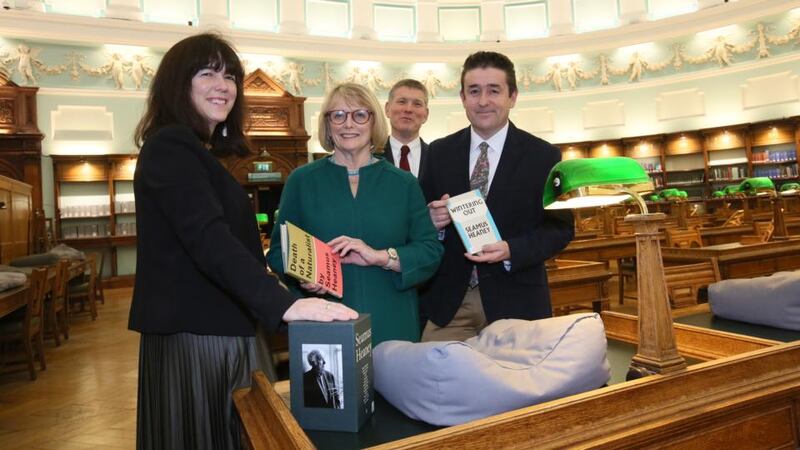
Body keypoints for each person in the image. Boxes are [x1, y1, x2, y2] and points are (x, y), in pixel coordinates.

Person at [129, 33, 357, 450]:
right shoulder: (171, 145)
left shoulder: (196, 151)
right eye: (207, 73)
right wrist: (285, 304)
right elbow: (208, 239)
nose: (223, 85)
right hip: (199, 336)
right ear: (178, 83)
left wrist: (283, 284)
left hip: (214, 328)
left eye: (230, 76)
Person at [267, 82, 443, 346]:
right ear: (328, 124)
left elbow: (430, 251)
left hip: (392, 320)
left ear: (374, 121)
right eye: (338, 115)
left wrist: (381, 257)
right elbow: (279, 251)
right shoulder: (301, 181)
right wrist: (303, 276)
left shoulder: (403, 183)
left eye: (360, 115)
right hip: (325, 320)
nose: (348, 124)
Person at [419, 51, 574, 342]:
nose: (483, 101)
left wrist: (511, 250)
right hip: (449, 304)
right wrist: (431, 221)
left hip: (517, 299)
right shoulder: (439, 152)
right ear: (462, 97)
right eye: (473, 91)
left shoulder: (544, 156)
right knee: (433, 371)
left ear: (512, 96)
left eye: (494, 90)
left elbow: (560, 229)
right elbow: (418, 223)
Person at [381, 79, 430, 179]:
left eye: (417, 104)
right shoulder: (370, 157)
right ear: (387, 109)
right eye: (402, 102)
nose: (408, 109)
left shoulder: (439, 158)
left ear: (426, 114)